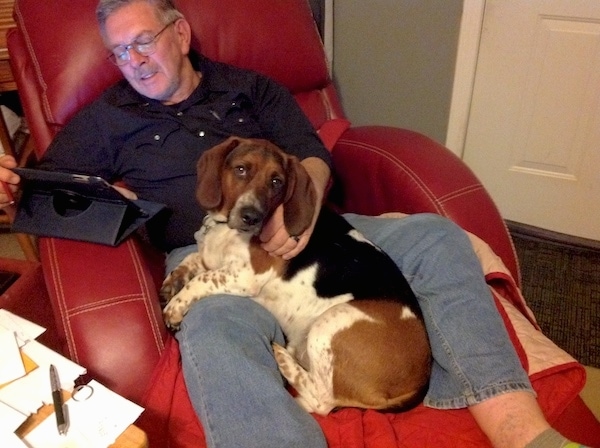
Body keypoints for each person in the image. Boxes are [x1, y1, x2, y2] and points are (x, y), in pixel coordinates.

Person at [0, 1, 585, 447]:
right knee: (213, 328)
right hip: (204, 254)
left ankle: (513, 420)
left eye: (144, 41)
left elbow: (311, 154)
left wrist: (298, 218)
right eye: (120, 52)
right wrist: (8, 191)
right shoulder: (106, 119)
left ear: (179, 33)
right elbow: (51, 192)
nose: (134, 61)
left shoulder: (249, 87)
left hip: (317, 229)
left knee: (437, 237)